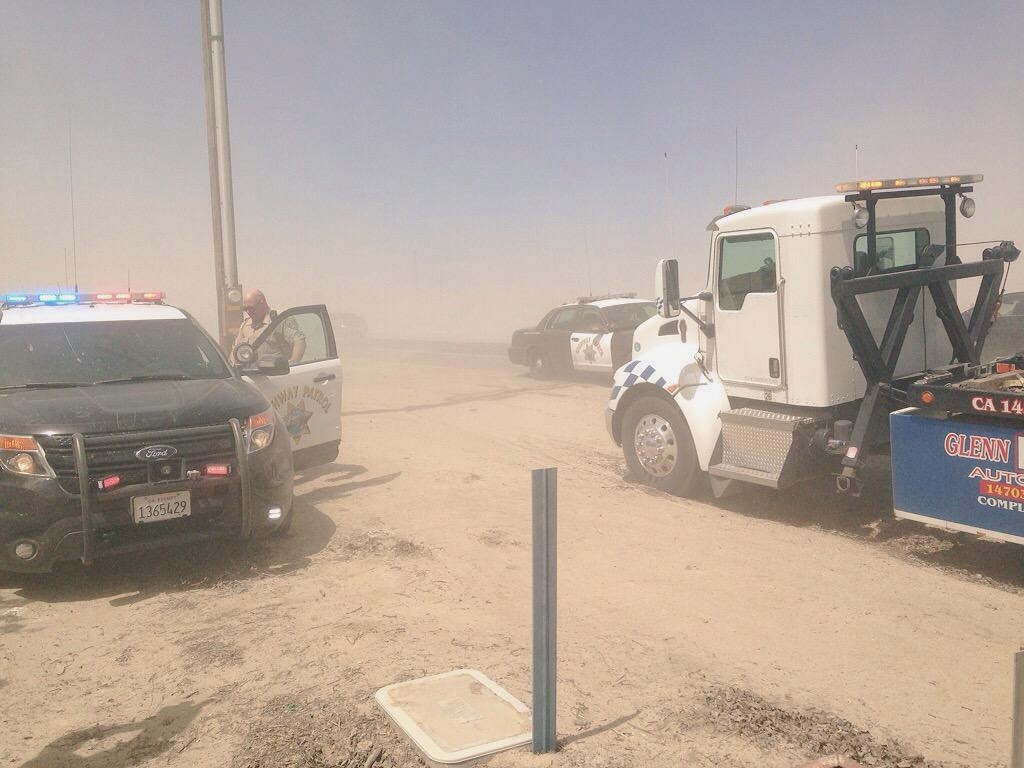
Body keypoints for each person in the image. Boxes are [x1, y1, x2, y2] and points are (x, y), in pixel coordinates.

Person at [233, 289, 306, 364]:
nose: (248, 312)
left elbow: (299, 341)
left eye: (251, 308)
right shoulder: (245, 325)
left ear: (262, 302)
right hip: (252, 373)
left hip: (276, 373)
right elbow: (235, 350)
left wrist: (292, 365)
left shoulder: (280, 319)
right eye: (245, 309)